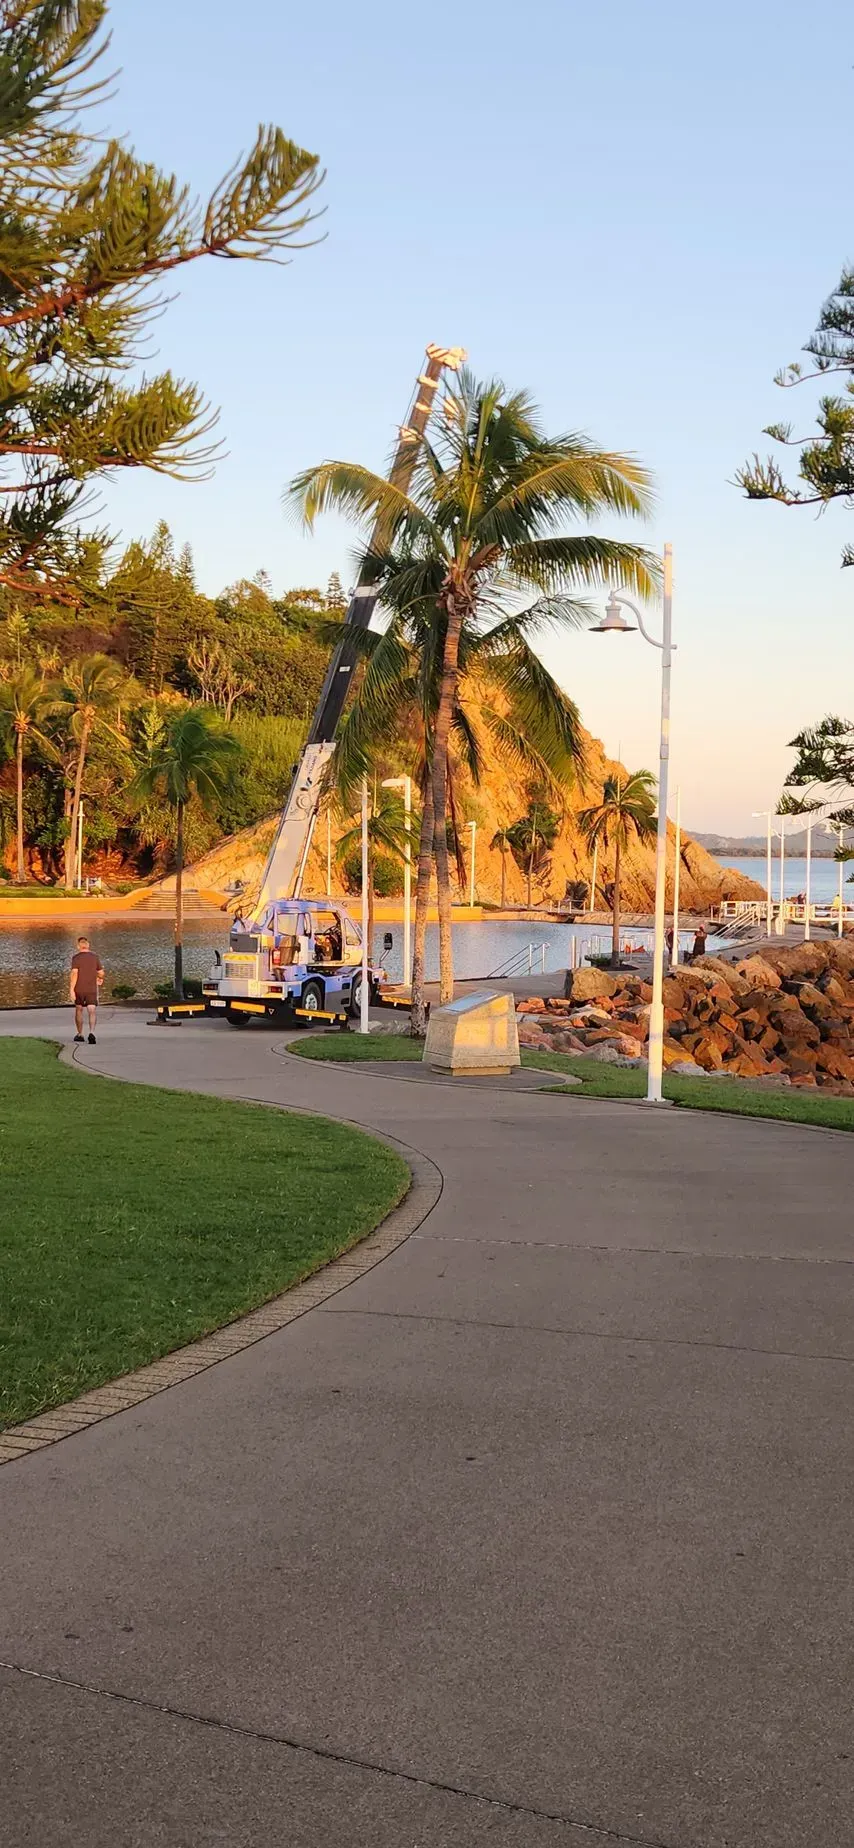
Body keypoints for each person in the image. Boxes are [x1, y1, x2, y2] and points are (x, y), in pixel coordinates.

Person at [69, 935, 104, 1044]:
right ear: (88, 945)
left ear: (78, 946)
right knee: (92, 1010)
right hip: (91, 988)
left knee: (79, 1010)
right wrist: (100, 979)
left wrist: (71, 989)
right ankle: (92, 1032)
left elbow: (74, 973)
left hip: (79, 988)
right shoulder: (95, 957)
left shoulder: (76, 958)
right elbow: (101, 972)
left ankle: (80, 1034)